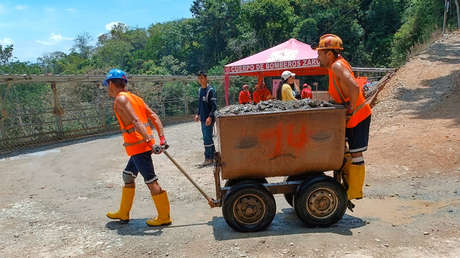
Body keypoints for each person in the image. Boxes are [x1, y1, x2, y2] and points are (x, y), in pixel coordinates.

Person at [104, 68, 172, 227]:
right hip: (140, 146)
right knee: (128, 176)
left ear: (112, 83)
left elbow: (135, 121)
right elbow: (154, 116)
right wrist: (161, 139)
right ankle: (123, 212)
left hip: (139, 147)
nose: (107, 88)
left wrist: (150, 142)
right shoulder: (136, 98)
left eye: (108, 84)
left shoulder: (120, 99)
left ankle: (164, 217)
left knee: (151, 181)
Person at [316, 34, 372, 201]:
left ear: (329, 54)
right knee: (347, 151)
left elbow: (354, 87)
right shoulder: (334, 66)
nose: (317, 56)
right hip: (352, 115)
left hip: (359, 116)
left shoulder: (337, 66)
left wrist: (352, 110)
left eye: (319, 53)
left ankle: (354, 192)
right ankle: (347, 186)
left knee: (356, 154)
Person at [194, 71, 217, 168]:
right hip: (203, 118)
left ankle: (208, 158)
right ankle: (214, 156)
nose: (200, 80)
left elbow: (214, 106)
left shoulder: (210, 90)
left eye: (202, 78)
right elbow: (200, 104)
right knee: (208, 137)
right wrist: (197, 114)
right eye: (199, 78)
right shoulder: (200, 90)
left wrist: (210, 117)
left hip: (209, 118)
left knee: (206, 138)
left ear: (206, 78)